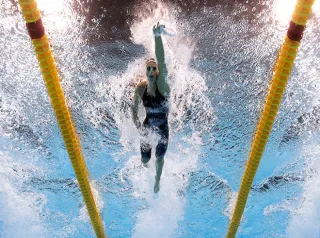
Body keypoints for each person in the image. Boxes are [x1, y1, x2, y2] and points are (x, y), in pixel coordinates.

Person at [132, 22, 170, 193]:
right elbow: (134, 110)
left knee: (159, 157)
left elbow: (161, 61)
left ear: (157, 72)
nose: (152, 70)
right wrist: (138, 126)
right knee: (145, 160)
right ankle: (148, 171)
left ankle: (157, 180)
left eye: (154, 69)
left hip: (162, 127)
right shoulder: (141, 88)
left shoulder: (163, 87)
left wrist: (157, 37)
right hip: (148, 125)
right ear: (146, 72)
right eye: (149, 68)